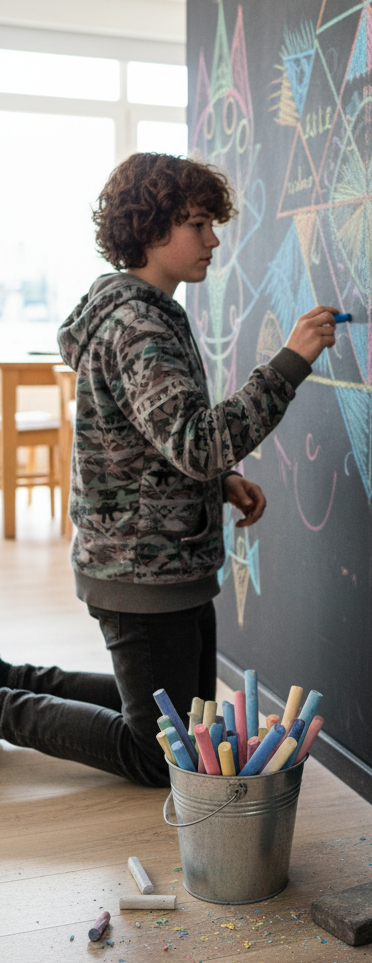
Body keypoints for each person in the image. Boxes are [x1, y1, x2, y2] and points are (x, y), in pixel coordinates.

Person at [0, 152, 336, 785]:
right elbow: (195, 439)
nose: (213, 240)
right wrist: (290, 362)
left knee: (181, 717)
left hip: (160, 559)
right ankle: (6, 707)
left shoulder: (148, 313)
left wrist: (219, 480)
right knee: (162, 755)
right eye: (198, 225)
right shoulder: (137, 325)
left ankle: (8, 681)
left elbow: (163, 440)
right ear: (151, 230)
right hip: (142, 568)